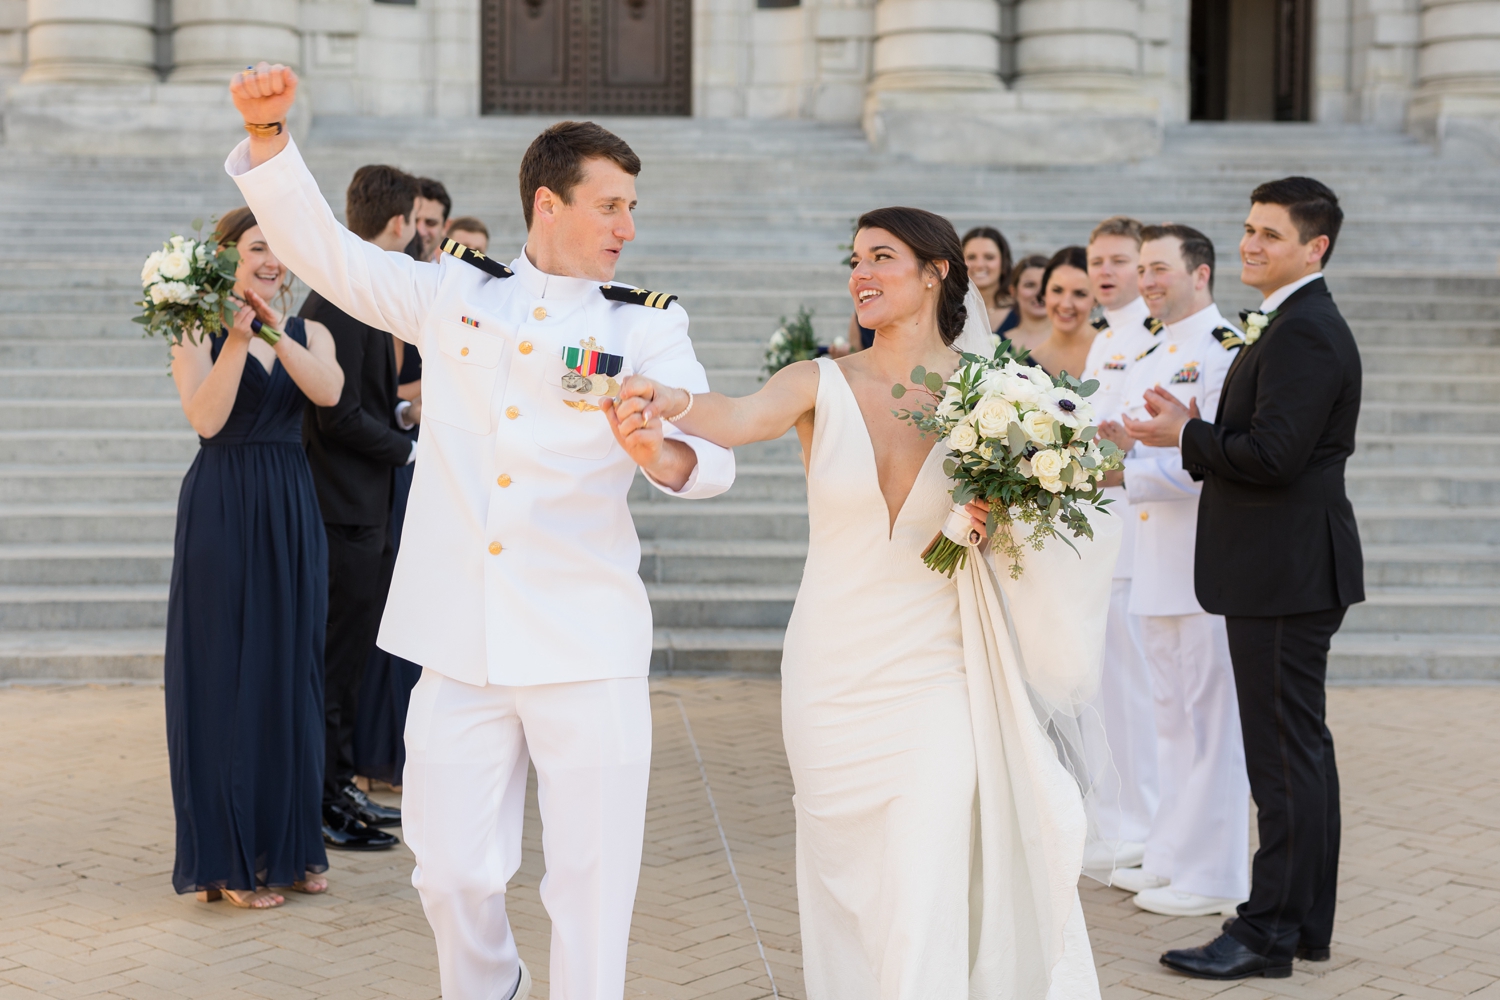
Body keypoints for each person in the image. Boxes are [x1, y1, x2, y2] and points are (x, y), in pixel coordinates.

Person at [228, 64, 735, 1000]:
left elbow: (710, 456)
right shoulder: (454, 294)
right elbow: (330, 257)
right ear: (549, 204)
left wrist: (661, 453)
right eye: (611, 205)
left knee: (591, 878)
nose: (629, 227)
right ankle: (490, 985)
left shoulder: (651, 327)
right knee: (450, 870)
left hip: (584, 640)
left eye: (632, 207)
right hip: (462, 639)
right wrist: (268, 142)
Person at [613, 207, 1116, 998]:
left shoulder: (1002, 398)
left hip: (937, 673)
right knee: (849, 886)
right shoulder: (818, 381)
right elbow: (738, 417)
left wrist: (1001, 522)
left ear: (935, 272)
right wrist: (669, 399)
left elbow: (1051, 533)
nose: (861, 275)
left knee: (926, 875)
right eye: (854, 260)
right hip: (831, 669)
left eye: (882, 257)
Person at [1128, 178, 1363, 980]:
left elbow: (1273, 457)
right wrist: (1188, 427)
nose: (1250, 245)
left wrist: (1187, 431)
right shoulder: (1291, 323)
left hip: (1284, 570)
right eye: (1248, 229)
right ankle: (1301, 925)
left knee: (1284, 758)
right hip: (1286, 565)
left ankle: (1266, 933)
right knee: (1299, 752)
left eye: (1270, 234)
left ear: (1314, 247)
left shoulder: (1303, 332)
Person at [164, 207, 346, 909]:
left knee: (292, 673)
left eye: (281, 249)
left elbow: (328, 391)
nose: (271, 260)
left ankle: (291, 846)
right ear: (227, 258)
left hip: (290, 506)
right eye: (258, 247)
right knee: (225, 676)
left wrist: (270, 329)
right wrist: (237, 342)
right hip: (223, 504)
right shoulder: (192, 329)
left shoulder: (313, 330)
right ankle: (231, 863)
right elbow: (206, 419)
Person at [1098, 224, 1249, 919]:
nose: (1148, 282)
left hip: (1203, 559)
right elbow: (1147, 442)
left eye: (1161, 269)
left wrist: (1128, 466)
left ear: (1202, 273)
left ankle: (1216, 873)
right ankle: (1170, 856)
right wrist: (1123, 450)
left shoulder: (1224, 351)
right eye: (1145, 270)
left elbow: (1213, 461)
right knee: (1171, 721)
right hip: (1153, 558)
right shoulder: (1156, 347)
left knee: (1210, 724)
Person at [300, 163, 424, 853]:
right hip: (341, 511)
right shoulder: (340, 302)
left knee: (347, 666)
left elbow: (368, 403)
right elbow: (340, 416)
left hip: (363, 511)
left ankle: (340, 784)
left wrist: (407, 409)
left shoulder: (368, 297)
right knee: (333, 664)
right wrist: (405, 450)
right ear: (402, 224)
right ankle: (323, 797)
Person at [1078, 216, 1160, 871]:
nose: (1103, 271)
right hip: (1097, 524)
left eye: (1117, 261)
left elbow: (1130, 434)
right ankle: (1112, 818)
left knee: (1135, 687)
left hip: (1137, 526)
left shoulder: (1158, 338)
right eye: (1095, 260)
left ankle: (1143, 821)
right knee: (1103, 684)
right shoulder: (1104, 339)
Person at [1029, 245, 1097, 378]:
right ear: (1044, 293)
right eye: (1057, 291)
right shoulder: (1028, 366)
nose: (1066, 304)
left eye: (1079, 294)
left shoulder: (1113, 353)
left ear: (1096, 299)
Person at [962, 225, 1014, 332]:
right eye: (971, 257)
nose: (979, 265)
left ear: (1004, 263)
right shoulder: (946, 312)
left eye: (989, 257)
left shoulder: (1021, 312)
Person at [997, 253, 1051, 348]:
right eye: (1030, 285)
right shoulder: (995, 345)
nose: (1039, 293)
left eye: (1045, 285)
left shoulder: (1075, 342)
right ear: (1013, 292)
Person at [414, 177, 452, 261]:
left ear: (445, 227)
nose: (421, 231)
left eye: (431, 223)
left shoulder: (451, 274)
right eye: (414, 221)